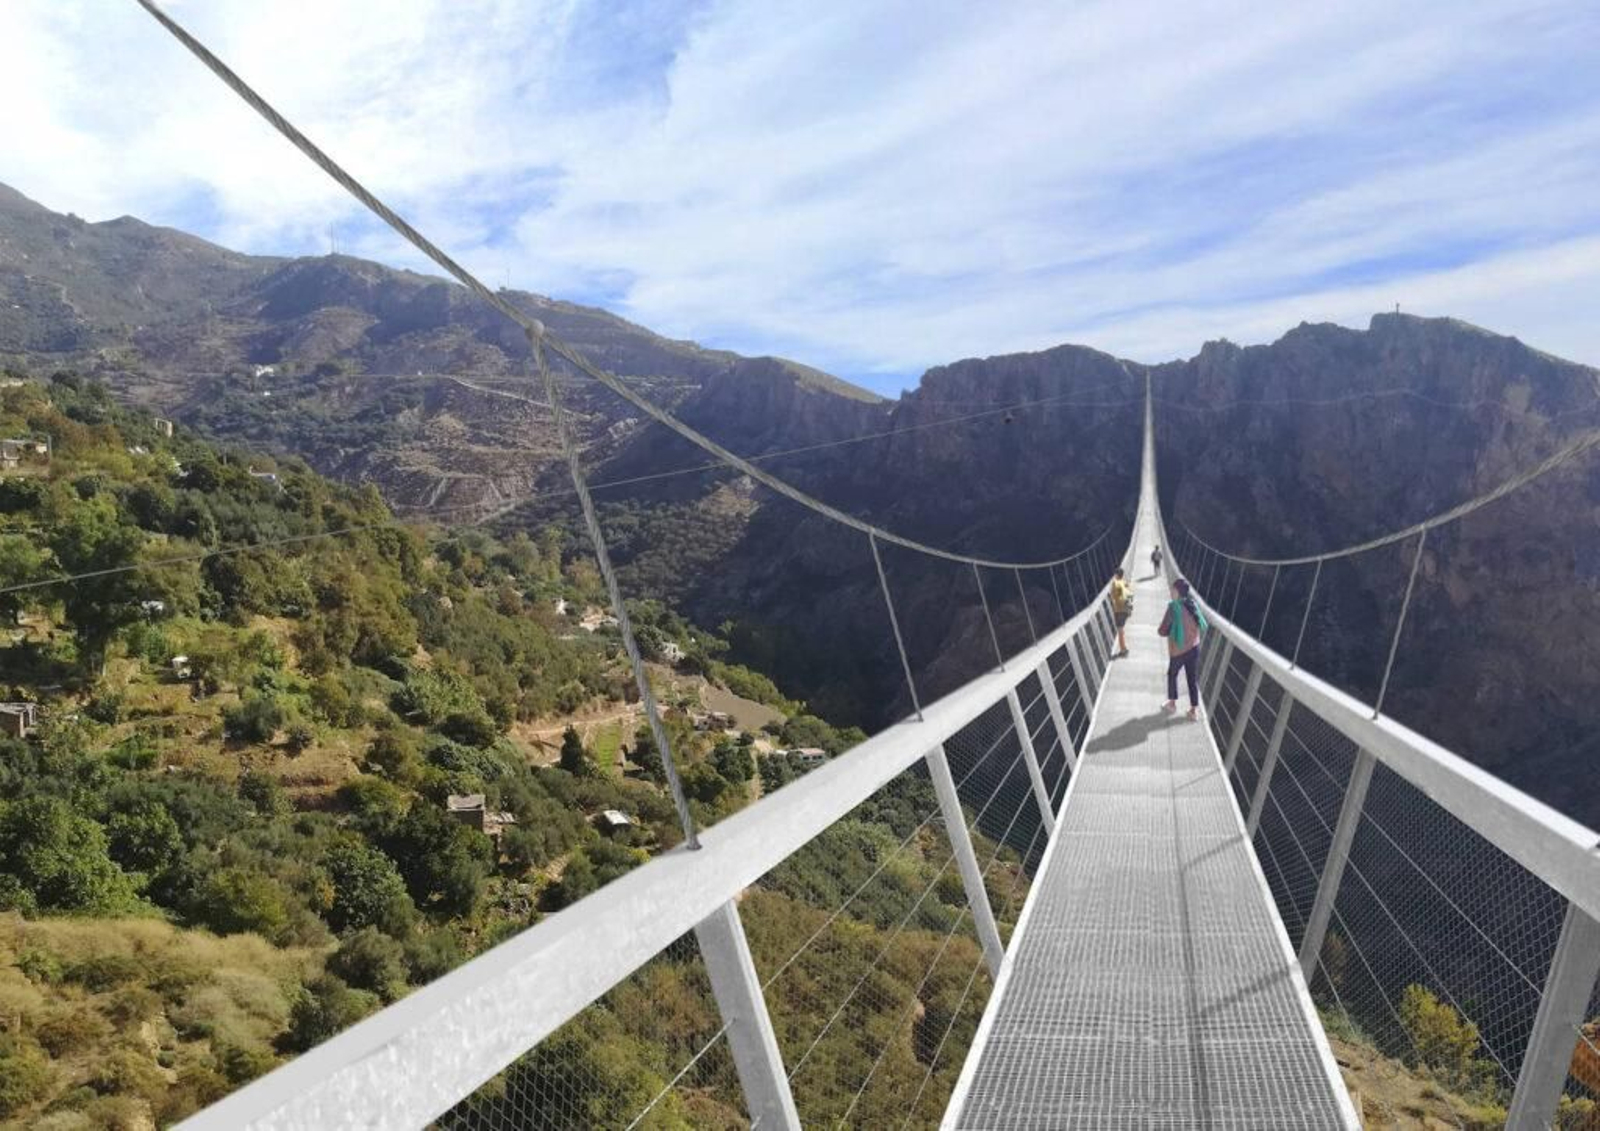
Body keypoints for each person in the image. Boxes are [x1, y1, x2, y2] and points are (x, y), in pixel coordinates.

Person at [1159, 578, 1208, 719]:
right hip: (1194, 647)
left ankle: (1172, 704)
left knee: (1172, 675)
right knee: (1192, 679)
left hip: (1179, 650)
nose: (1171, 591)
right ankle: (1193, 711)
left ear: (1178, 592)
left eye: (1173, 590)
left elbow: (1162, 631)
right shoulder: (1193, 604)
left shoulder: (1173, 607)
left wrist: (1167, 630)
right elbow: (1200, 624)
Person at [1109, 568, 1132, 657]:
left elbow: (1114, 596)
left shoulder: (1115, 583)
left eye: (1115, 574)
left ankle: (1123, 650)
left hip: (1119, 610)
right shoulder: (1125, 583)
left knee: (1120, 630)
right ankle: (1124, 648)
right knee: (1121, 629)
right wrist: (1130, 609)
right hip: (1126, 610)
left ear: (1116, 575)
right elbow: (1130, 596)